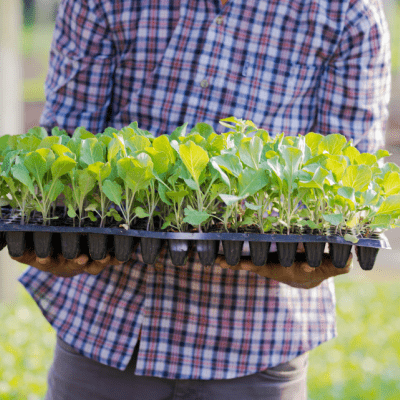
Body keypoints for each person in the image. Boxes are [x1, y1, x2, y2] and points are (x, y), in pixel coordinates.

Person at [15, 0, 390, 398]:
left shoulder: (347, 12)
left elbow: (349, 182)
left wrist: (324, 249)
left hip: (256, 348)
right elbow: (63, 148)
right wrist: (51, 232)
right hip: (110, 332)